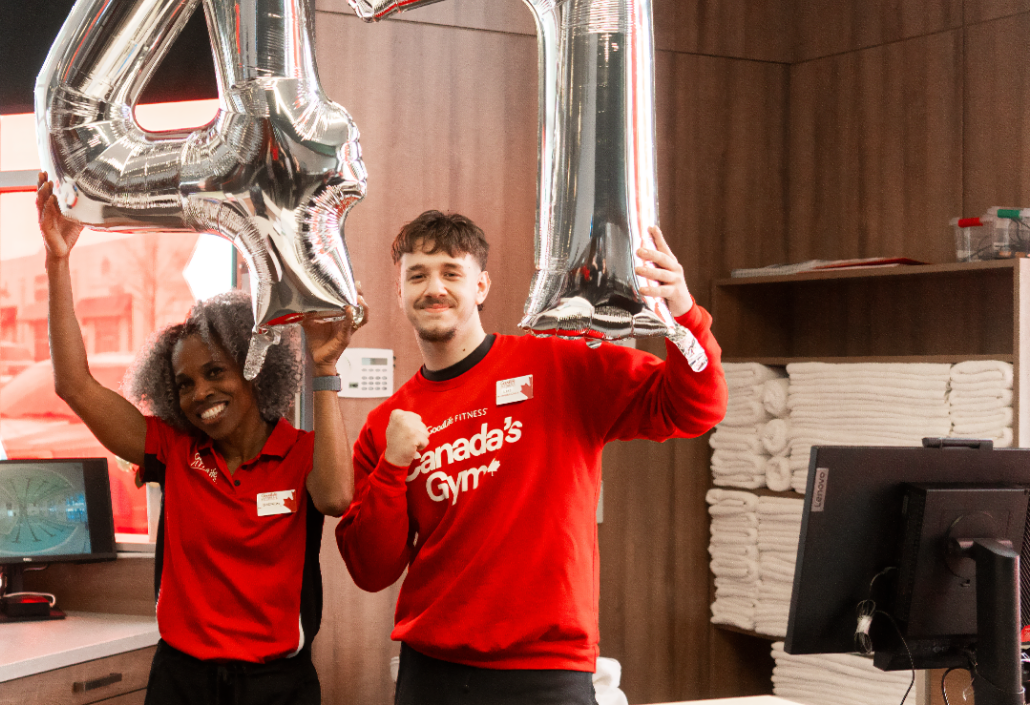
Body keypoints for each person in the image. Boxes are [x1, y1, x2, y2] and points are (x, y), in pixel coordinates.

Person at [335, 210, 727, 704]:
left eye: (451, 273)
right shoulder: (387, 425)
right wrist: (392, 468)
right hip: (432, 673)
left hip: (546, 670)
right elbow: (371, 570)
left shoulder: (559, 366)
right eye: (417, 275)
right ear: (399, 292)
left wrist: (683, 315)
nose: (434, 288)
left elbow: (695, 408)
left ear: (481, 286)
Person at [36, 172, 359, 705]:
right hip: (182, 683)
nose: (199, 394)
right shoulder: (174, 451)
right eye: (184, 384)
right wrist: (57, 261)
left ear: (254, 369)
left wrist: (324, 368)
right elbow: (73, 384)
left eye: (214, 373)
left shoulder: (303, 454)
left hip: (276, 687)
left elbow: (337, 498)